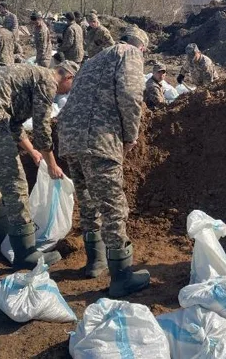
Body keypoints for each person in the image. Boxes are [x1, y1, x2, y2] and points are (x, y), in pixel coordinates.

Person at [57, 26, 150, 297]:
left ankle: (95, 261)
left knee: (87, 202)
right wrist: (130, 135)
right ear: (141, 46)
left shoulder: (94, 59)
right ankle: (121, 277)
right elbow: (131, 94)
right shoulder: (130, 53)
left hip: (70, 138)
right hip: (99, 138)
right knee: (113, 206)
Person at [0, 61, 78, 268]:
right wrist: (51, 163)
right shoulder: (48, 81)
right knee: (16, 186)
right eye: (73, 85)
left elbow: (14, 121)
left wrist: (31, 150)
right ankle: (25, 255)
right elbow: (42, 127)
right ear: (68, 78)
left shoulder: (30, 74)